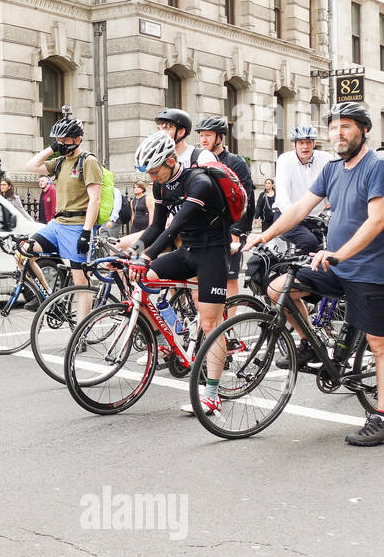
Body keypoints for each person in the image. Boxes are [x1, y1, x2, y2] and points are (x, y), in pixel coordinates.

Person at [247, 102, 384, 447]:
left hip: (373, 270)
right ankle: (309, 344)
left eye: (346, 127)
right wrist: (264, 234)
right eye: (333, 128)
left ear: (363, 130)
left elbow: (377, 221)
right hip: (337, 266)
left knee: (380, 344)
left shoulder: (378, 167)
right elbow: (301, 208)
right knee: (277, 289)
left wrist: (338, 252)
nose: (338, 134)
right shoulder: (333, 168)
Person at [117, 131, 232, 416]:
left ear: (171, 160)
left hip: (212, 253)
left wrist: (146, 256)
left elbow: (175, 226)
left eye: (156, 171)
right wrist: (135, 254)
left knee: (210, 324)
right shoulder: (160, 187)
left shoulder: (199, 182)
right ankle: (173, 333)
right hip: (187, 252)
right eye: (149, 173)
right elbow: (156, 228)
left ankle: (212, 395)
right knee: (144, 281)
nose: (152, 178)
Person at [20, 116, 103, 319]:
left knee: (80, 281)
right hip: (57, 225)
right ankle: (50, 299)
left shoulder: (88, 161)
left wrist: (86, 232)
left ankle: (81, 332)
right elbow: (30, 166)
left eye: (66, 140)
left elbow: (95, 200)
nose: (62, 143)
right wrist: (52, 147)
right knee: (22, 254)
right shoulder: (59, 162)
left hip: (76, 227)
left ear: (78, 139)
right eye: (59, 139)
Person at [196, 116, 255, 296]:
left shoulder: (235, 162)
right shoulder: (199, 161)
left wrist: (236, 232)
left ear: (220, 138)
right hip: (205, 229)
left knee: (228, 278)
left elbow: (246, 198)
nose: (204, 139)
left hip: (229, 229)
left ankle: (228, 323)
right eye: (201, 135)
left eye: (208, 135)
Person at [272, 125, 332, 255]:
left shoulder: (326, 159)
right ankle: (295, 272)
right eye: (301, 143)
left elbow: (335, 185)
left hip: (314, 217)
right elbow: (282, 193)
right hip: (286, 215)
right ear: (294, 145)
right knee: (308, 241)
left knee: (331, 242)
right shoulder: (285, 160)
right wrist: (294, 216)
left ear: (314, 144)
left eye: (309, 142)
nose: (305, 146)